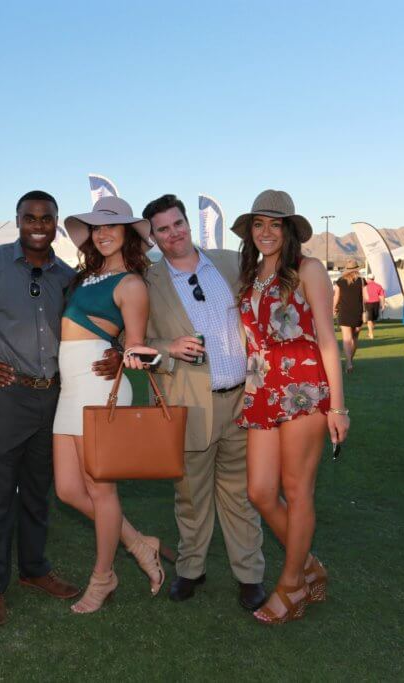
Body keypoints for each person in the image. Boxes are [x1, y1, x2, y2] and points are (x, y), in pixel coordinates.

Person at [0, 190, 121, 627]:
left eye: (47, 218)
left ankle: (35, 570)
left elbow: (99, 322)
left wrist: (118, 347)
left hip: (53, 396)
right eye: (30, 217)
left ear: (56, 223)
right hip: (5, 395)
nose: (39, 224)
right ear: (17, 220)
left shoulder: (68, 277)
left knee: (38, 493)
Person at [135, 193, 267, 612]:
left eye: (177, 224)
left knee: (241, 495)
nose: (173, 234)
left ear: (188, 223)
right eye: (162, 229)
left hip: (242, 399)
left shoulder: (231, 263)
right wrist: (168, 347)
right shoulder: (147, 282)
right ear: (153, 236)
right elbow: (134, 346)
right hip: (189, 404)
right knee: (191, 495)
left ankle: (250, 576)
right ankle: (191, 569)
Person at [232, 189, 349, 625]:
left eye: (274, 224)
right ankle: (307, 566)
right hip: (261, 388)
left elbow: (325, 338)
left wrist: (338, 407)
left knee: (297, 491)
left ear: (289, 230)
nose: (266, 232)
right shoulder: (251, 274)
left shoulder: (308, 269)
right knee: (260, 491)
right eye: (258, 224)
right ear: (250, 231)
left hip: (304, 390)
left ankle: (292, 585)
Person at [50, 196, 165, 614]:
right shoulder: (83, 279)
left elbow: (136, 344)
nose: (102, 233)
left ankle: (103, 577)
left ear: (127, 233)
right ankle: (138, 543)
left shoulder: (132, 283)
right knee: (66, 490)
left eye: (110, 226)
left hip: (100, 389)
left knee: (102, 491)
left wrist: (126, 353)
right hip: (70, 390)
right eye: (96, 227)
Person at [333, 259, 365, 373]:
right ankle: (350, 360)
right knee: (355, 338)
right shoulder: (361, 281)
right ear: (357, 269)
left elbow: (336, 297)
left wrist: (333, 308)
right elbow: (366, 298)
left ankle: (349, 363)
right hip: (358, 312)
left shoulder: (340, 281)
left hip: (344, 312)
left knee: (347, 339)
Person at [363, 274, 386, 339]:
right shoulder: (378, 286)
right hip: (376, 303)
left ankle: (371, 334)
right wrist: (383, 305)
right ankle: (370, 333)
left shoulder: (365, 286)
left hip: (368, 303)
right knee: (373, 319)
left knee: (369, 319)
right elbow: (382, 296)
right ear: (374, 278)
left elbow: (363, 296)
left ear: (368, 279)